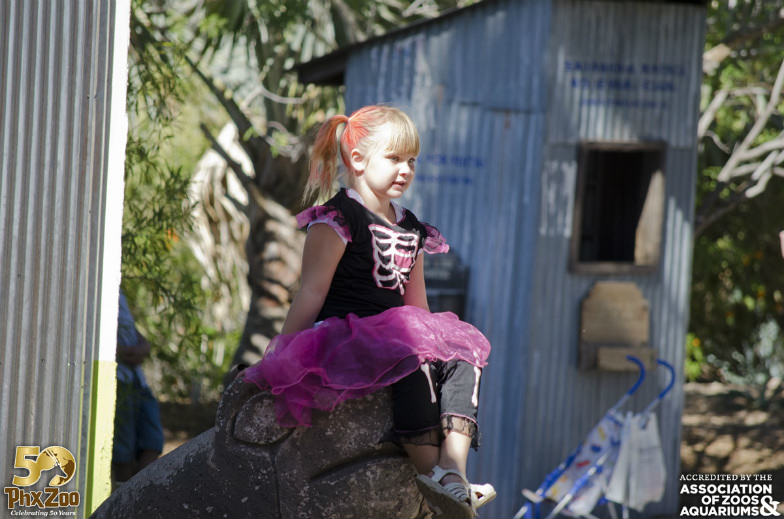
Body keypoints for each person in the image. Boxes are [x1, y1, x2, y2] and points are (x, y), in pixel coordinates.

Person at [242, 105, 494, 518]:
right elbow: (311, 292)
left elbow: (418, 306)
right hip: (347, 332)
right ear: (357, 160)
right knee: (410, 355)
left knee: (463, 356)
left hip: (399, 329)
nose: (406, 169)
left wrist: (438, 345)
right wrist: (282, 351)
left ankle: (455, 472)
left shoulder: (412, 228)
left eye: (411, 160)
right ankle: (430, 472)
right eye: (394, 159)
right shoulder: (338, 219)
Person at [112, 291, 164, 486]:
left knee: (153, 440)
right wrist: (119, 350)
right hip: (118, 378)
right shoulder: (93, 284)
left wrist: (143, 346)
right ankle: (124, 496)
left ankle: (143, 489)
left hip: (138, 380)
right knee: (123, 450)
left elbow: (130, 328)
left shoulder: (119, 291)